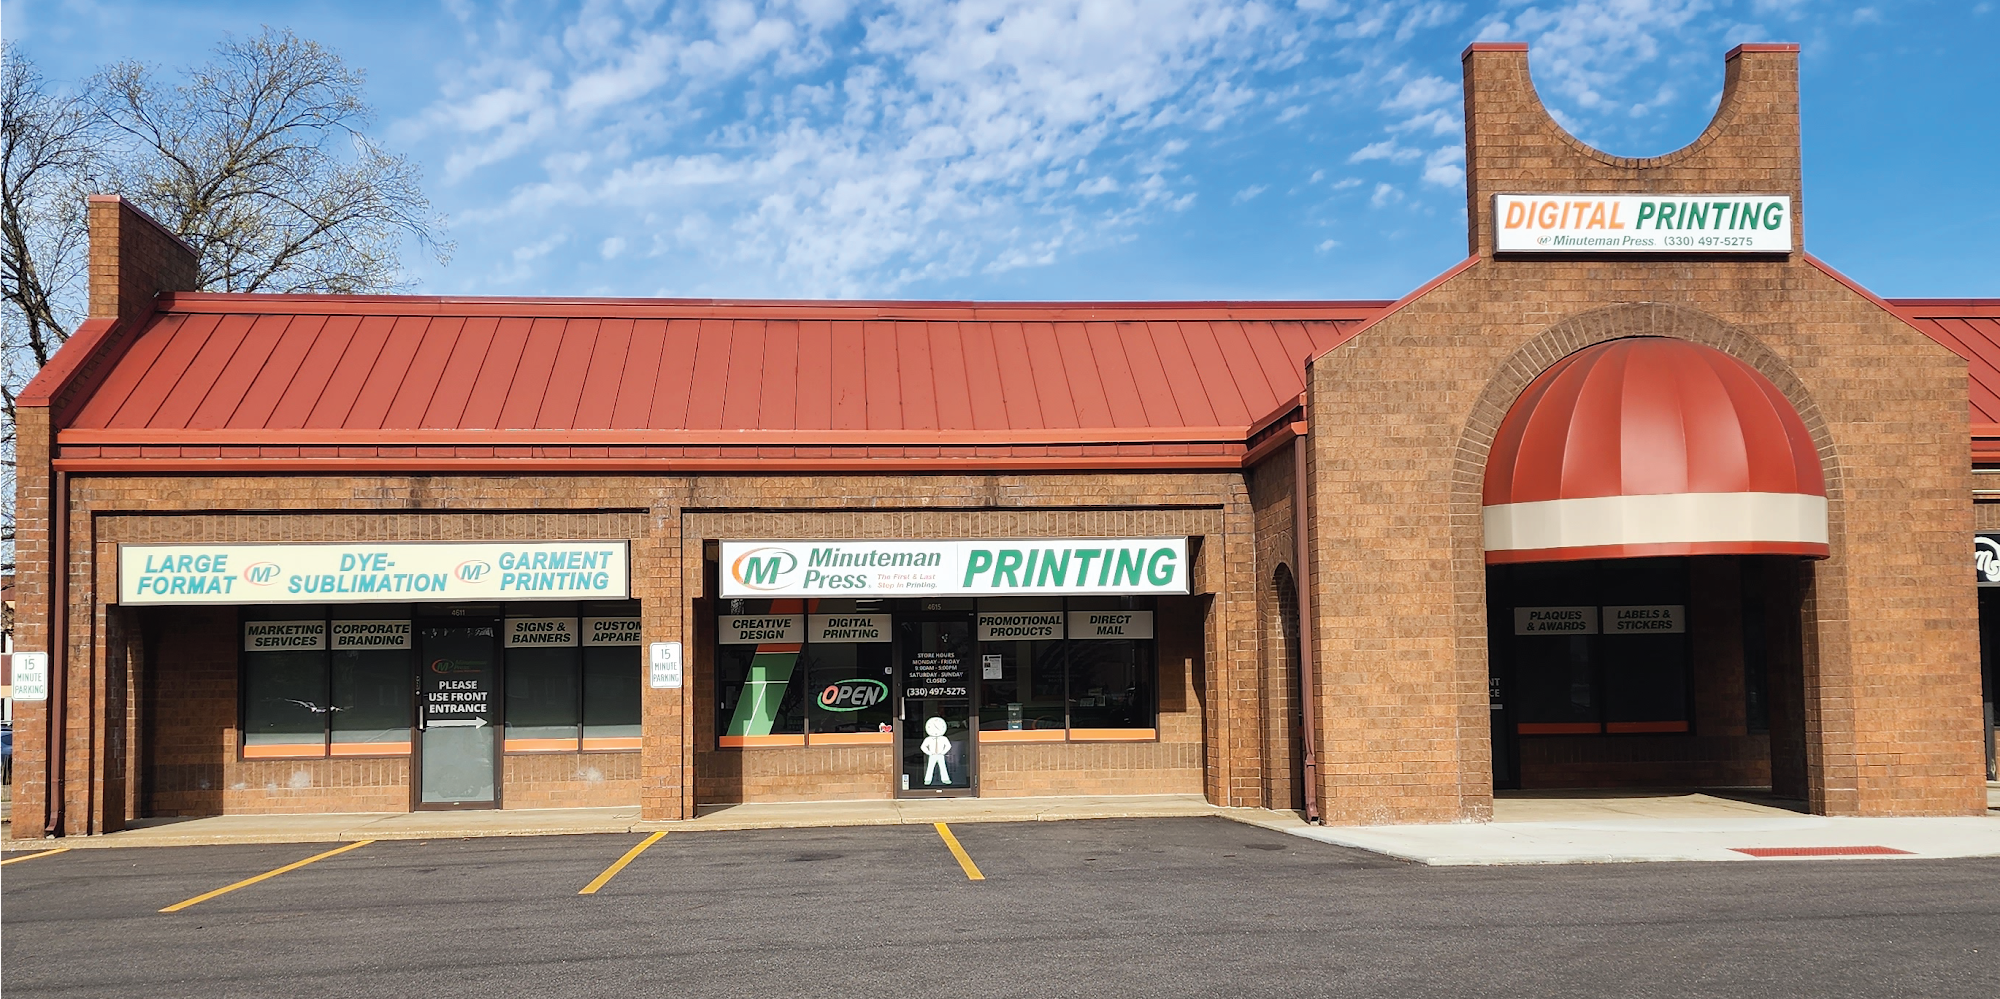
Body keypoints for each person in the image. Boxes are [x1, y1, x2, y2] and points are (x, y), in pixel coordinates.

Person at [920, 716, 951, 785]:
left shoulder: (944, 738)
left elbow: (948, 746)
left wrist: (942, 752)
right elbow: (923, 747)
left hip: (940, 755)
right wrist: (930, 753)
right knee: (930, 767)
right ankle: (927, 780)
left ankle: (945, 779)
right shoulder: (928, 739)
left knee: (943, 767)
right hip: (932, 755)